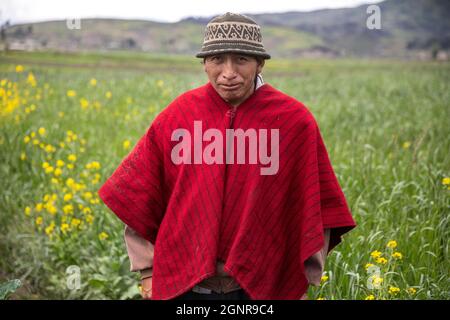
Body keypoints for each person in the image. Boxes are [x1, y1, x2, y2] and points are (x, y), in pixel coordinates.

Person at [98, 12, 356, 300]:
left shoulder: (293, 121)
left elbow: (317, 206)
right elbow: (141, 195)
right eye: (217, 59)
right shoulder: (179, 115)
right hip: (184, 285)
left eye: (241, 59)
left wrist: (300, 278)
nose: (228, 72)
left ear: (260, 63)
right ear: (204, 64)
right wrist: (147, 271)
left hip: (263, 287)